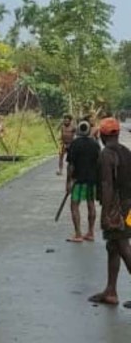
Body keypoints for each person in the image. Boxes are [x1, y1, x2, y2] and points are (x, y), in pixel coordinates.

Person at [87, 117, 131, 306]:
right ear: (118, 133)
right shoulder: (126, 152)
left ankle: (111, 290)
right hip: (129, 207)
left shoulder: (106, 155)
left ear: (103, 136)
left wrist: (106, 212)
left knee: (121, 245)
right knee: (113, 246)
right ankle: (111, 291)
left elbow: (106, 185)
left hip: (116, 207)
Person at [65, 121, 100, 243]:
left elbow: (71, 165)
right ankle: (90, 232)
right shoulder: (95, 144)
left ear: (78, 130)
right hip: (92, 180)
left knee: (74, 205)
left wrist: (68, 182)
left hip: (77, 181)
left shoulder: (74, 144)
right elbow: (98, 163)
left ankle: (78, 234)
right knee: (91, 205)